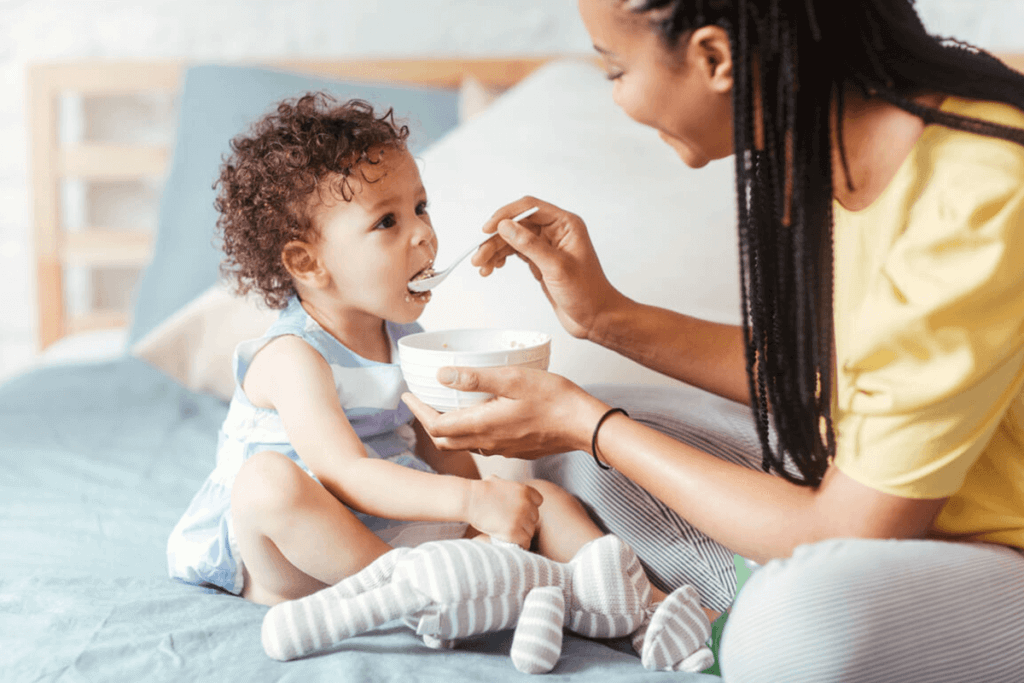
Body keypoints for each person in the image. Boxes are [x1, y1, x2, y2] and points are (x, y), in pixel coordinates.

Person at [402, 1, 1024, 681]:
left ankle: (741, 595)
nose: (617, 96)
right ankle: (738, 570)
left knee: (787, 629)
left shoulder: (975, 199)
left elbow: (850, 532)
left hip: (983, 548)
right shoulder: (831, 142)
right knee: (575, 459)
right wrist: (604, 317)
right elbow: (829, 376)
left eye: (615, 67)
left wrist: (590, 425)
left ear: (714, 58)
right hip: (892, 494)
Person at [165, 93, 679, 623]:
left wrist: (491, 506)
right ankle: (416, 596)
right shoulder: (292, 358)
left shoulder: (405, 337)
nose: (424, 233)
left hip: (392, 531)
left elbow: (439, 450)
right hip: (299, 555)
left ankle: (647, 608)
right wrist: (466, 504)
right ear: (306, 261)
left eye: (420, 207)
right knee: (266, 483)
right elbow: (349, 474)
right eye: (387, 222)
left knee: (539, 497)